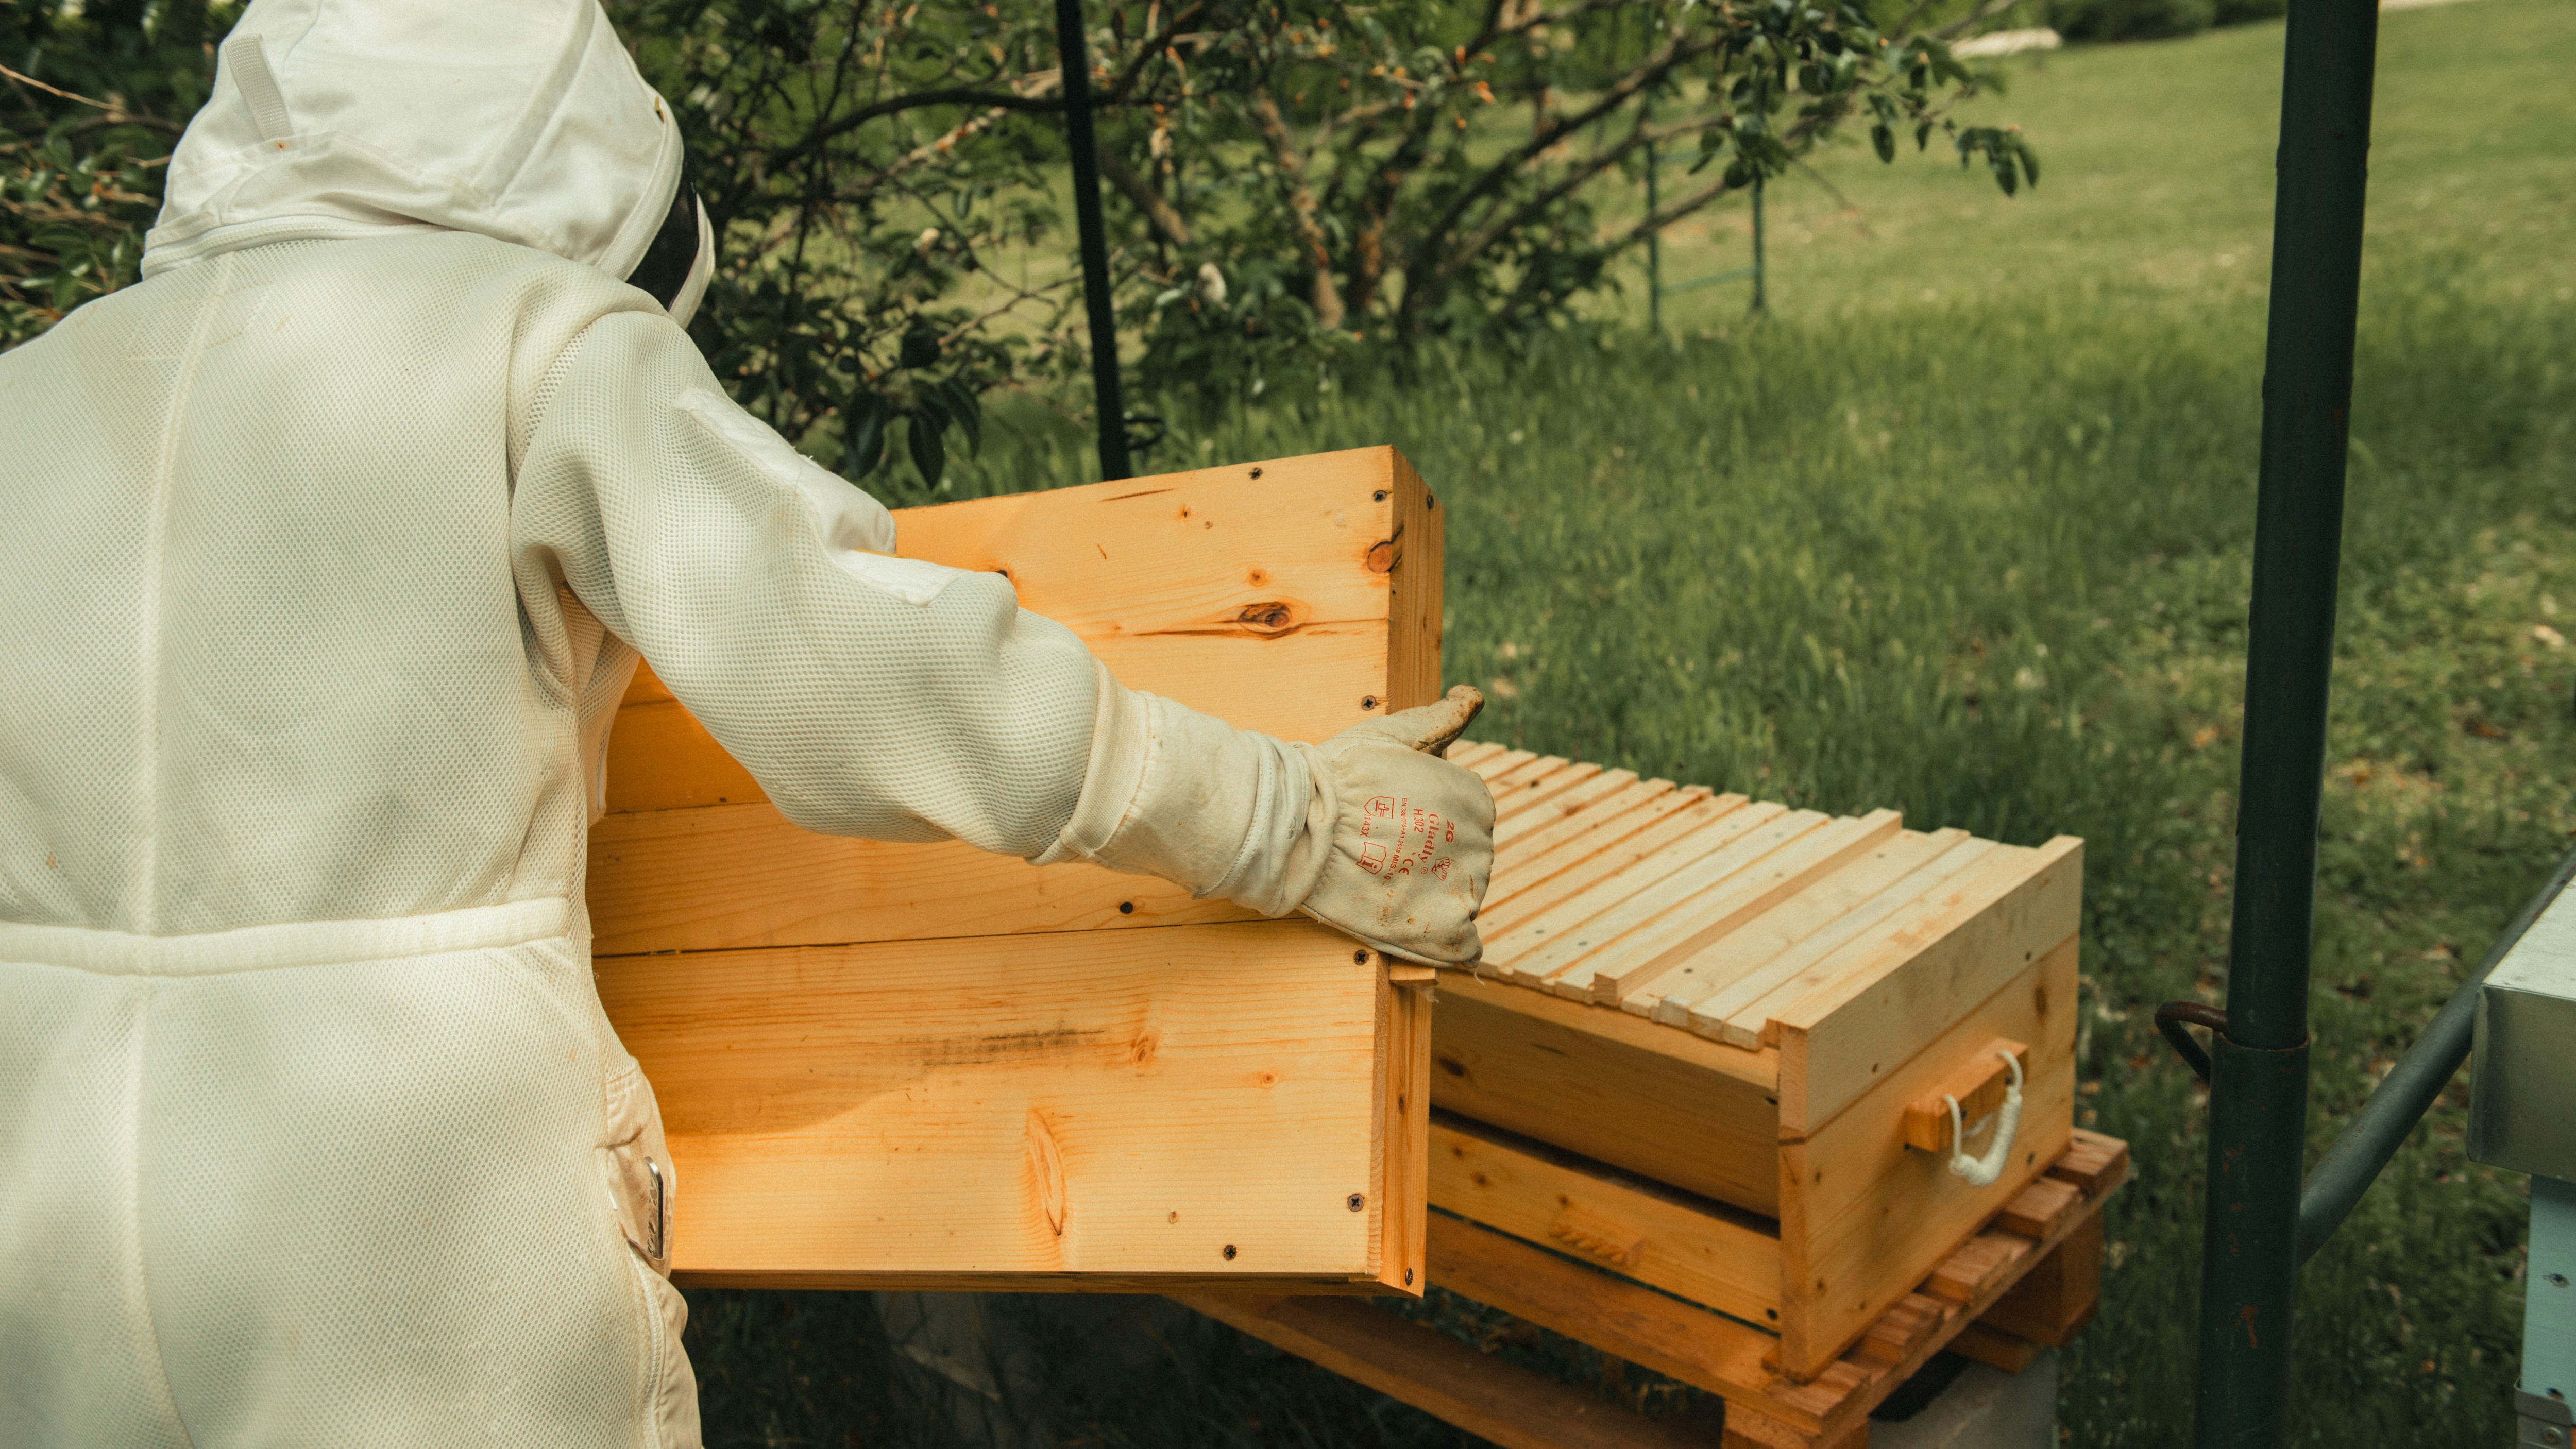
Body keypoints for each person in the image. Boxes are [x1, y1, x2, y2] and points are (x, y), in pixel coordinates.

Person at [0, 3, 1495, 1446]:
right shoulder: (535, 342)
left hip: (44, 1208)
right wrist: (1292, 819)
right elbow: (865, 672)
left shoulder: (30, 393)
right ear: (562, 149)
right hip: (414, 1219)